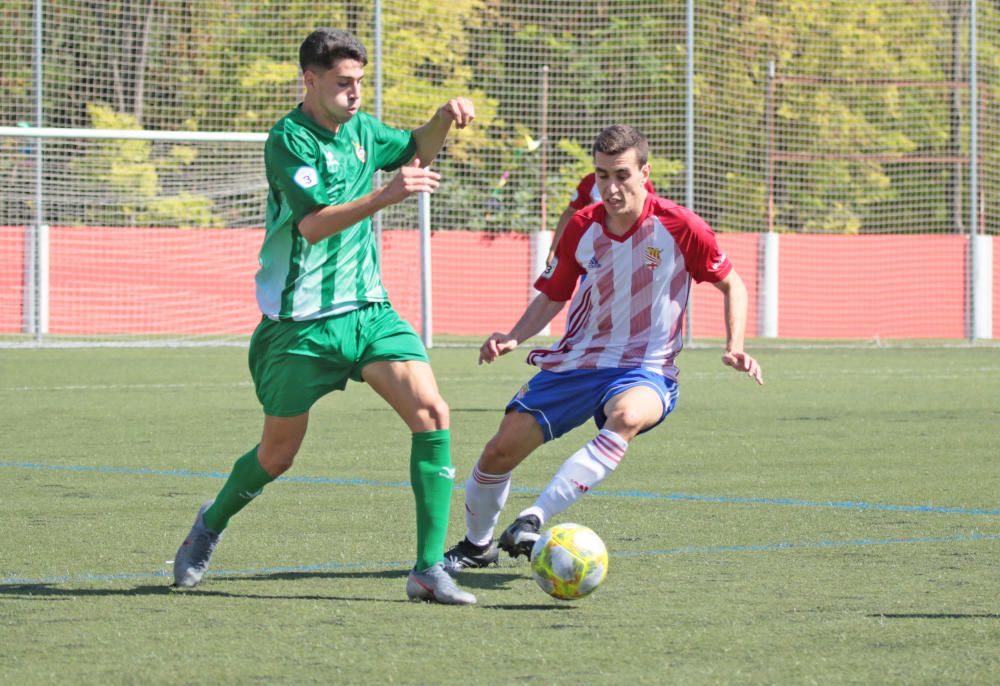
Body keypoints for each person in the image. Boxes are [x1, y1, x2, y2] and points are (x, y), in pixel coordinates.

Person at [172, 28, 477, 605]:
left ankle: (428, 569)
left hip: (367, 311)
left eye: (360, 82)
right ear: (310, 80)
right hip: (299, 326)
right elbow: (311, 225)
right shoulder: (288, 140)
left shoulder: (362, 129)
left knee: (433, 413)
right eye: (343, 84)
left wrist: (441, 118)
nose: (355, 94)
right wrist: (386, 197)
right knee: (277, 456)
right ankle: (212, 520)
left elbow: (415, 146)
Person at [444, 124, 763, 570]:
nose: (611, 188)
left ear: (644, 173)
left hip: (647, 366)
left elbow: (733, 284)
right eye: (601, 176)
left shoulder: (680, 226)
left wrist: (736, 345)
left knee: (628, 416)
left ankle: (536, 516)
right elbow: (554, 294)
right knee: (499, 451)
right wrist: (514, 336)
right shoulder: (580, 226)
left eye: (621, 175)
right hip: (579, 361)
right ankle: (477, 547)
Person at [547, 171, 655, 265]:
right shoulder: (590, 181)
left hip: (632, 251)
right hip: (597, 255)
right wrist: (554, 249)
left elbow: (651, 215)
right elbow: (570, 212)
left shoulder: (640, 181)